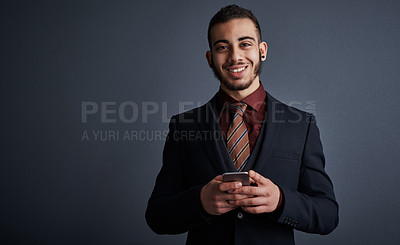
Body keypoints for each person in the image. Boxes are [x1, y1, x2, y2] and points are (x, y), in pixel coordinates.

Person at [145, 4, 338, 245]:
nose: (235, 56)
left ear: (262, 50)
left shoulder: (301, 125)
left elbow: (328, 214)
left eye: (245, 43)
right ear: (210, 58)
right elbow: (156, 215)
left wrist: (280, 201)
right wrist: (200, 202)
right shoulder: (184, 127)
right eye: (222, 47)